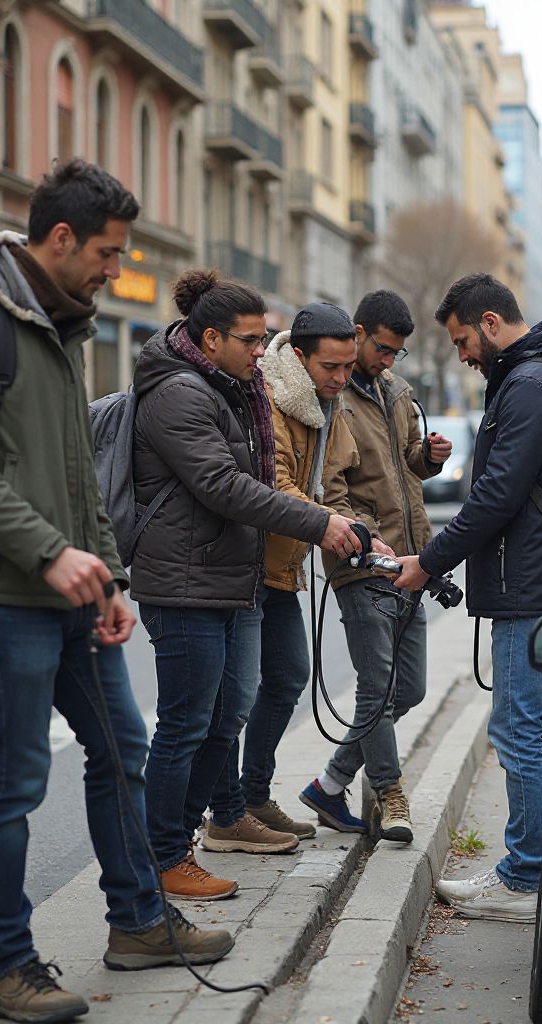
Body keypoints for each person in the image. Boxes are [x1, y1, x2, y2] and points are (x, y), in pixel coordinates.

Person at [0, 159, 233, 1024]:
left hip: (70, 593)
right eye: (108, 252)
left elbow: (79, 477)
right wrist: (54, 555)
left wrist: (110, 575)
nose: (115, 271)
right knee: (11, 783)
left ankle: (137, 924)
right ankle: (2, 969)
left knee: (124, 748)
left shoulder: (60, 326)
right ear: (59, 238)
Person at [130, 271, 362, 898]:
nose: (265, 351)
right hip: (183, 582)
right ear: (211, 339)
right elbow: (224, 486)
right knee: (185, 723)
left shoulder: (232, 386)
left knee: (225, 712)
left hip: (228, 576)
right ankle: (166, 854)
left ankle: (203, 831)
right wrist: (318, 523)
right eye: (253, 339)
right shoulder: (180, 393)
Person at [394, 273, 542, 921]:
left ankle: (524, 877)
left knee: (516, 732)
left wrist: (427, 562)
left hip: (531, 591)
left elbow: (496, 496)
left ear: (489, 322)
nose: (461, 354)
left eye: (462, 340)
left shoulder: (531, 385)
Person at [204, 302, 393, 846]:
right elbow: (274, 483)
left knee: (286, 676)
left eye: (348, 367)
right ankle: (225, 814)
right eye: (330, 367)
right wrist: (328, 525)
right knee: (231, 697)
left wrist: (360, 528)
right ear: (300, 357)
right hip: (243, 566)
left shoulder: (329, 404)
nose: (341, 378)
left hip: (281, 565)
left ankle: (254, 797)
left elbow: (332, 486)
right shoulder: (271, 396)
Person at [300, 290, 452, 844]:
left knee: (406, 688)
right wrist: (369, 540)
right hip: (362, 561)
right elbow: (330, 490)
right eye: (384, 349)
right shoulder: (334, 399)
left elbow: (407, 468)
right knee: (377, 685)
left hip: (411, 561)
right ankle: (389, 794)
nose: (389, 361)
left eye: (398, 353)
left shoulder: (396, 392)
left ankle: (329, 783)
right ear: (359, 333)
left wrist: (428, 458)